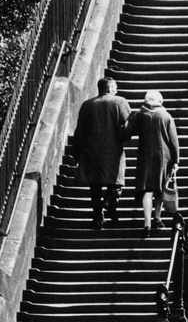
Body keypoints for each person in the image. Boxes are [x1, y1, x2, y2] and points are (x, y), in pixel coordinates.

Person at [72, 76, 130, 229]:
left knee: (95, 187)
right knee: (116, 184)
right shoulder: (120, 102)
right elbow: (126, 127)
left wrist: (76, 153)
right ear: (111, 88)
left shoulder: (87, 105)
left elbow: (79, 131)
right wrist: (125, 138)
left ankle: (98, 216)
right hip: (113, 151)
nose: (116, 90)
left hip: (91, 152)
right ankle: (108, 206)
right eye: (115, 87)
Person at [126, 89, 179, 238]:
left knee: (147, 190)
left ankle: (147, 224)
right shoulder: (166, 116)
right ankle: (157, 217)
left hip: (145, 156)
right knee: (161, 188)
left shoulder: (139, 115)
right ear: (160, 102)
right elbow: (174, 141)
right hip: (163, 157)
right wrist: (176, 160)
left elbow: (128, 131)